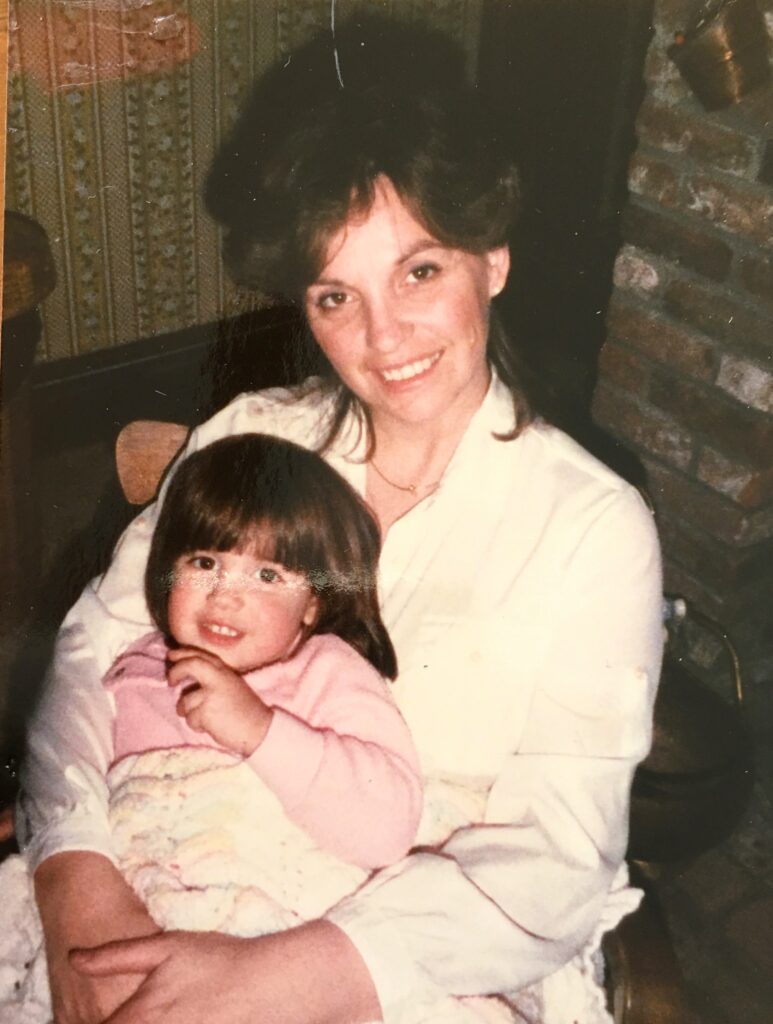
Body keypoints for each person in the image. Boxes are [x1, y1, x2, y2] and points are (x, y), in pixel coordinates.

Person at [18, 15, 663, 1024]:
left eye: (418, 271)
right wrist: (74, 872)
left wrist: (284, 974)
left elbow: (557, 856)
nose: (382, 338)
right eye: (334, 296)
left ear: (490, 258)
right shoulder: (253, 438)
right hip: (170, 848)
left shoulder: (592, 528)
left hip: (427, 941)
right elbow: (94, 644)